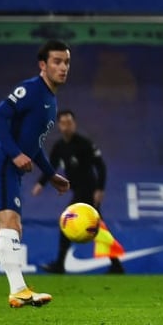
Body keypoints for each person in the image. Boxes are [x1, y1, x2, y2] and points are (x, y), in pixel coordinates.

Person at [0, 40, 71, 307]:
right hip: (2, 164)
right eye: (57, 62)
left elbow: (33, 144)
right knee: (11, 227)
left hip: (9, 168)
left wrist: (50, 174)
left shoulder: (50, 99)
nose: (63, 67)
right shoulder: (30, 90)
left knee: (6, 237)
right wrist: (14, 153)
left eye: (66, 62)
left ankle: (19, 289)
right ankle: (18, 290)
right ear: (43, 65)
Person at [32, 110, 124, 274]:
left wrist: (100, 189)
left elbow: (100, 166)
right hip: (78, 190)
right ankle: (116, 264)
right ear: (59, 126)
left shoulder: (84, 143)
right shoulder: (59, 146)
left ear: (74, 124)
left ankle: (60, 264)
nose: (67, 126)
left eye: (70, 122)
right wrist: (41, 183)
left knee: (67, 221)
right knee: (98, 228)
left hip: (88, 190)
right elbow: (51, 167)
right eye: (63, 123)